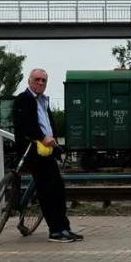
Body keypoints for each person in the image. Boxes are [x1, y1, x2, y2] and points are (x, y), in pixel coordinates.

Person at [13, 68, 83, 243]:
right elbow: (25, 126)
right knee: (47, 190)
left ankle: (64, 228)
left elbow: (48, 124)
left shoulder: (43, 101)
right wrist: (43, 138)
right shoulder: (24, 99)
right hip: (32, 151)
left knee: (58, 188)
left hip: (46, 150)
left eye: (44, 80)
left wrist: (55, 144)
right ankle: (55, 231)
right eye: (37, 79)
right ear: (29, 81)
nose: (41, 83)